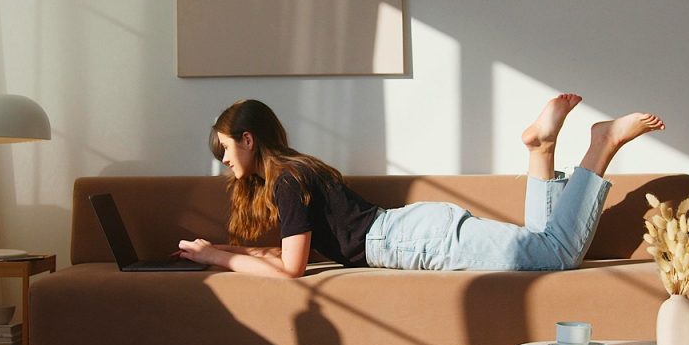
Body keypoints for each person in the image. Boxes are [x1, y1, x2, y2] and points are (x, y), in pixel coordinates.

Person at [177, 95, 664, 278]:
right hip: (410, 232)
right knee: (543, 246)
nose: (222, 160)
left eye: (223, 148)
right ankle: (540, 148)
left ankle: (601, 145)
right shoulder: (295, 172)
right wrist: (215, 246)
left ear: (247, 138)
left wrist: (217, 258)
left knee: (557, 255)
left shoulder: (286, 181)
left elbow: (291, 268)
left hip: (410, 240)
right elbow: (284, 251)